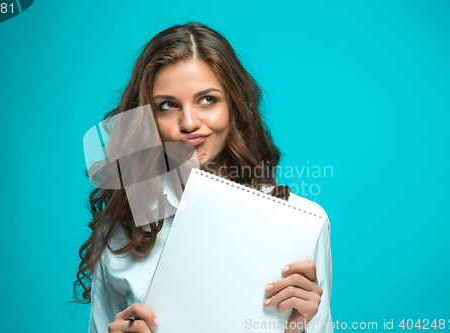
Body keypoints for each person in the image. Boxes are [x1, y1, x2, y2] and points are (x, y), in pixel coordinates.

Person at [74, 22, 333, 333]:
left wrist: (296, 329)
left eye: (207, 100)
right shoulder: (120, 232)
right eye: (167, 106)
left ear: (235, 106)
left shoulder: (300, 223)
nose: (188, 122)